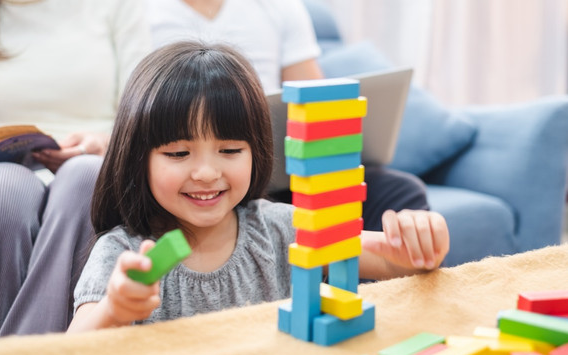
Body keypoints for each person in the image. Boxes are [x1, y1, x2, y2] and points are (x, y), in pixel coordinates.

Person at [67, 41, 449, 332]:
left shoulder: (282, 228)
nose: (205, 172)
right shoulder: (123, 252)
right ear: (139, 157)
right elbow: (72, 348)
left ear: (257, 151)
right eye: (179, 153)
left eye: (230, 149)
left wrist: (422, 244)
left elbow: (386, 258)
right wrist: (113, 310)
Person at [0, 0, 150, 352]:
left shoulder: (116, 6)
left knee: (83, 178)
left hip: (100, 158)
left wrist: (104, 143)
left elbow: (147, 108)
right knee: (0, 190)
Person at [146, 0, 430, 231]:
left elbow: (317, 100)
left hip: (282, 164)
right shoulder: (140, 13)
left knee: (399, 193)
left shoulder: (279, 7)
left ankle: (359, 295)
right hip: (223, 171)